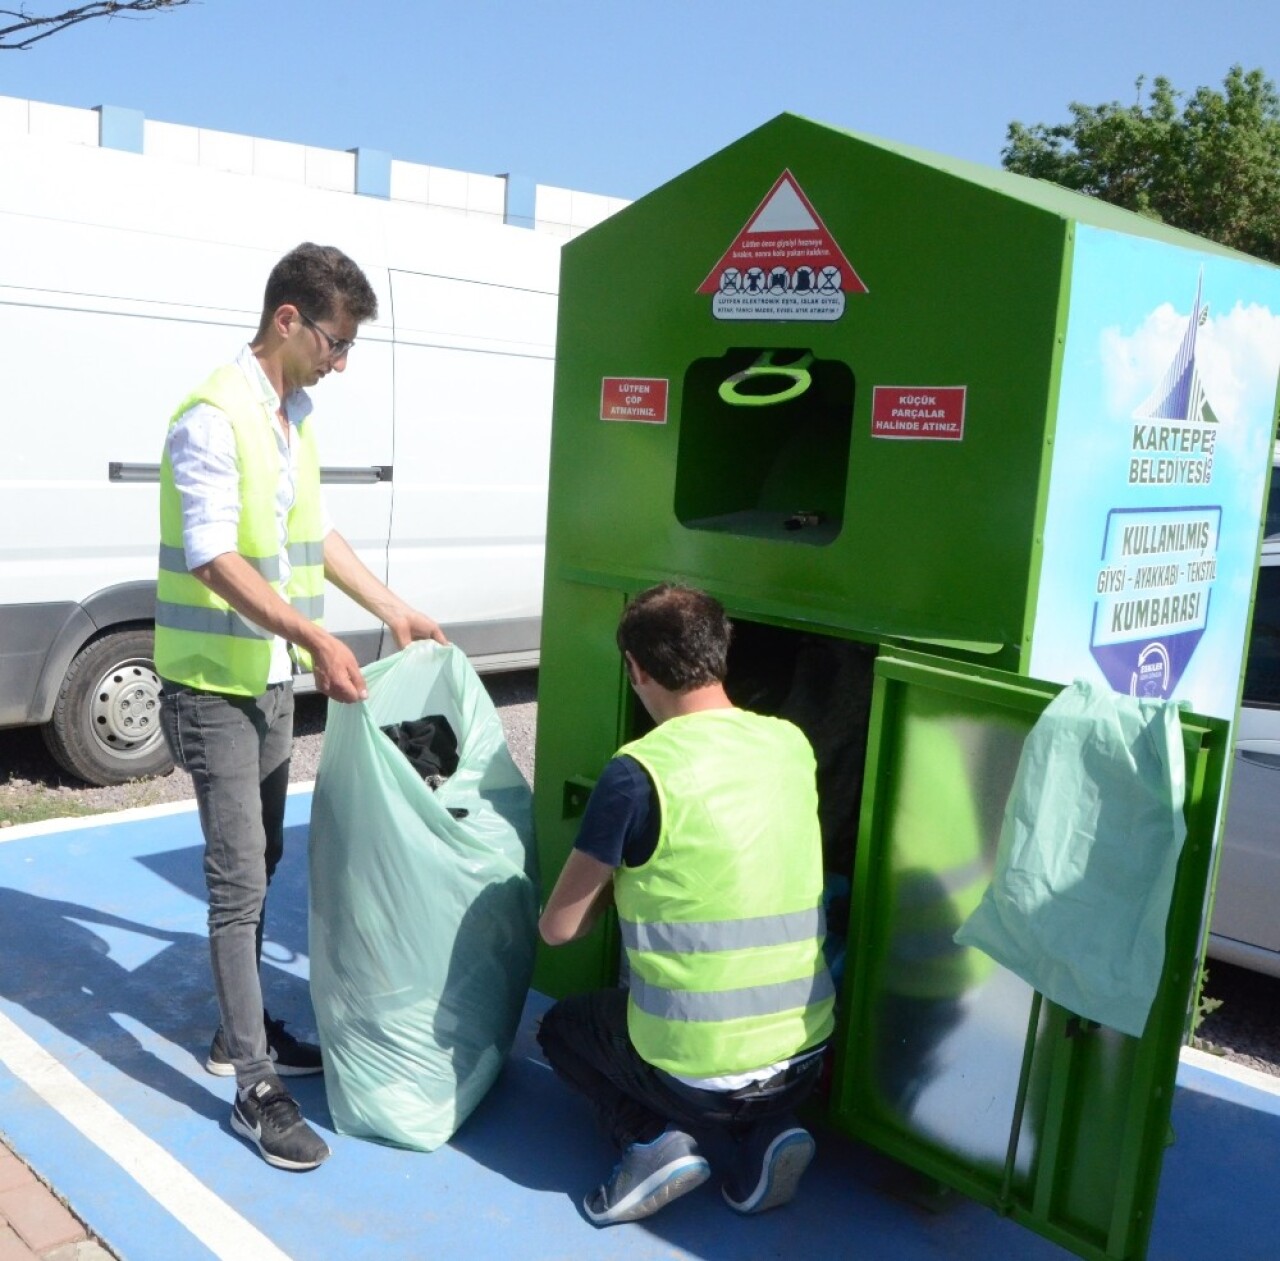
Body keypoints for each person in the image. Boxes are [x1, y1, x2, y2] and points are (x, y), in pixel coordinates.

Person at [155, 243, 448, 1172]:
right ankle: (253, 1080)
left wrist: (388, 607)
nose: (342, 359)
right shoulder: (213, 415)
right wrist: (321, 639)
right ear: (288, 318)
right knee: (240, 877)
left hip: (269, 677)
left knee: (266, 855)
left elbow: (313, 532)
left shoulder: (293, 416)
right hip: (211, 683)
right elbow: (213, 555)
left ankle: (231, 1029)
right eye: (336, 339)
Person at [537, 583, 835, 1226]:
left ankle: (652, 1143)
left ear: (637, 670)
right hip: (808, 1058)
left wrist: (625, 880)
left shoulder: (637, 772)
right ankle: (767, 1137)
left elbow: (559, 929)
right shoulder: (790, 744)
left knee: (563, 1030)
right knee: (745, 1069)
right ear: (721, 651)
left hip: (693, 1076)